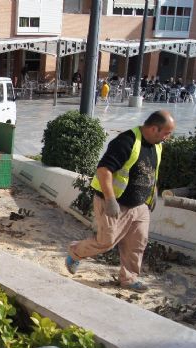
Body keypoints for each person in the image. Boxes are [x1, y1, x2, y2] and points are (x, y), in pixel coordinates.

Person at [65, 110, 175, 293]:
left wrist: (153, 191)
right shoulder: (126, 141)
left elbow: (150, 171)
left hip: (139, 205)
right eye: (166, 133)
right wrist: (110, 199)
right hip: (113, 203)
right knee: (106, 242)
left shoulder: (157, 145)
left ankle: (129, 279)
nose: (167, 137)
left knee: (137, 243)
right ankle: (75, 252)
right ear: (154, 128)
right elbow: (104, 170)